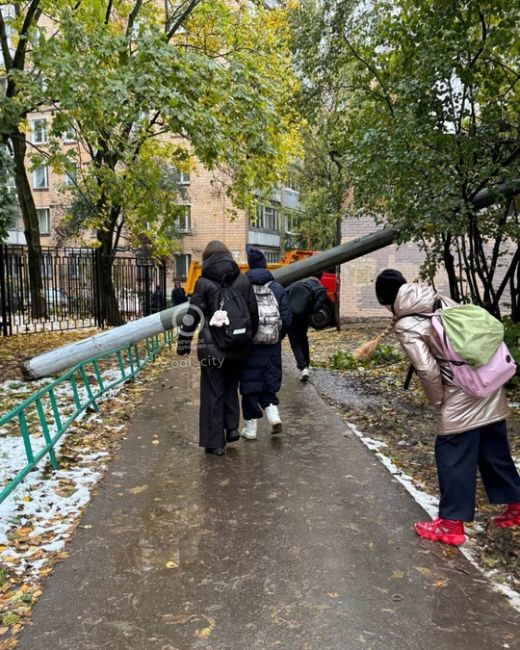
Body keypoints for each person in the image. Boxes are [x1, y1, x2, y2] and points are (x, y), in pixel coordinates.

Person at [374, 268, 520, 545]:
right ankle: (516, 504)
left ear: (386, 300)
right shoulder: (440, 301)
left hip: (460, 392)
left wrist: (440, 402)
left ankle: (451, 524)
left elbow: (427, 371)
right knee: (493, 448)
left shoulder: (407, 324)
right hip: (487, 380)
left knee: (451, 452)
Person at [176, 241, 258, 456]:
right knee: (231, 387)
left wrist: (183, 342)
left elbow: (192, 315)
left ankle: (215, 443)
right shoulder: (242, 280)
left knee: (213, 391)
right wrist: (247, 340)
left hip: (213, 349)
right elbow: (253, 315)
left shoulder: (203, 283)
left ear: (207, 259)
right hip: (238, 347)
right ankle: (231, 428)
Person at [240, 246, 292, 440]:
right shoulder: (277, 288)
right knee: (268, 384)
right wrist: (277, 337)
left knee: (250, 386)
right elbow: (287, 319)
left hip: (249, 348)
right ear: (265, 265)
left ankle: (251, 430)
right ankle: (274, 416)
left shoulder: (243, 287)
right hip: (272, 347)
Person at [287, 272, 327, 381]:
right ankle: (306, 366)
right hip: (303, 319)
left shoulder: (297, 283)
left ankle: (303, 367)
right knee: (303, 340)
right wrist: (306, 312)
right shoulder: (321, 290)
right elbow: (316, 308)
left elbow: (285, 294)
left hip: (291, 316)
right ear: (321, 277)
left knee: (294, 343)